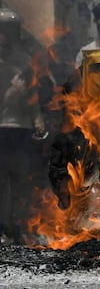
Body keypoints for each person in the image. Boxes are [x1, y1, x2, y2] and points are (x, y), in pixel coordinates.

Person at [0, 68, 45, 243]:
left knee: (21, 180)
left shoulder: (25, 72)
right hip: (2, 130)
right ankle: (4, 228)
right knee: (2, 182)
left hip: (22, 132)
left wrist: (38, 121)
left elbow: (34, 104)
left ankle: (19, 227)